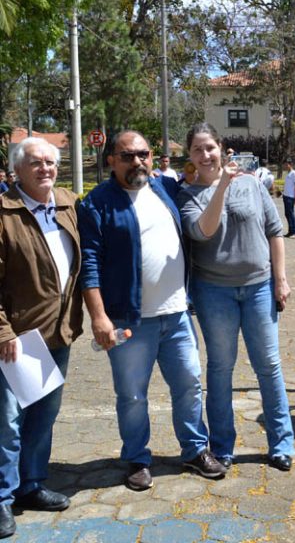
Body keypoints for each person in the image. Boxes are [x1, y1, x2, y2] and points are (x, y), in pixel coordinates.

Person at [77, 130, 225, 492]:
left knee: (189, 385)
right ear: (111, 160)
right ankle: (137, 458)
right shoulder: (96, 203)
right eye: (127, 156)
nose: (137, 161)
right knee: (131, 396)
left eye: (143, 154)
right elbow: (89, 264)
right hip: (129, 321)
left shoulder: (164, 188)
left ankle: (194, 449)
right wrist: (98, 316)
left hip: (176, 315)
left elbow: (200, 174)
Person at [178, 123, 295, 472]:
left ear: (221, 147)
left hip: (259, 287)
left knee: (269, 366)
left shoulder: (251, 184)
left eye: (210, 147)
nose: (205, 155)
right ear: (190, 155)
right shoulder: (186, 195)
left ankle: (281, 444)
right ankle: (222, 446)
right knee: (220, 368)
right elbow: (203, 231)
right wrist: (221, 186)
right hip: (214, 292)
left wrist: (280, 280)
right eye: (197, 149)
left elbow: (274, 231)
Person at [0, 138, 83, 538]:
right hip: (17, 338)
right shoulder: (4, 212)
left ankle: (30, 484)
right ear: (17, 170)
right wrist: (3, 331)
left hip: (57, 332)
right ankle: (2, 497)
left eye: (50, 162)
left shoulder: (67, 204)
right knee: (8, 422)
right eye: (35, 162)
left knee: (43, 416)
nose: (45, 169)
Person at [282, 157, 295, 239]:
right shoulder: (288, 174)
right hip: (285, 196)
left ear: (290, 164)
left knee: (291, 214)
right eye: (285, 164)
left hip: (290, 197)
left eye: (287, 164)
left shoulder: (294, 174)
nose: (285, 166)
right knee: (287, 214)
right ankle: (290, 231)